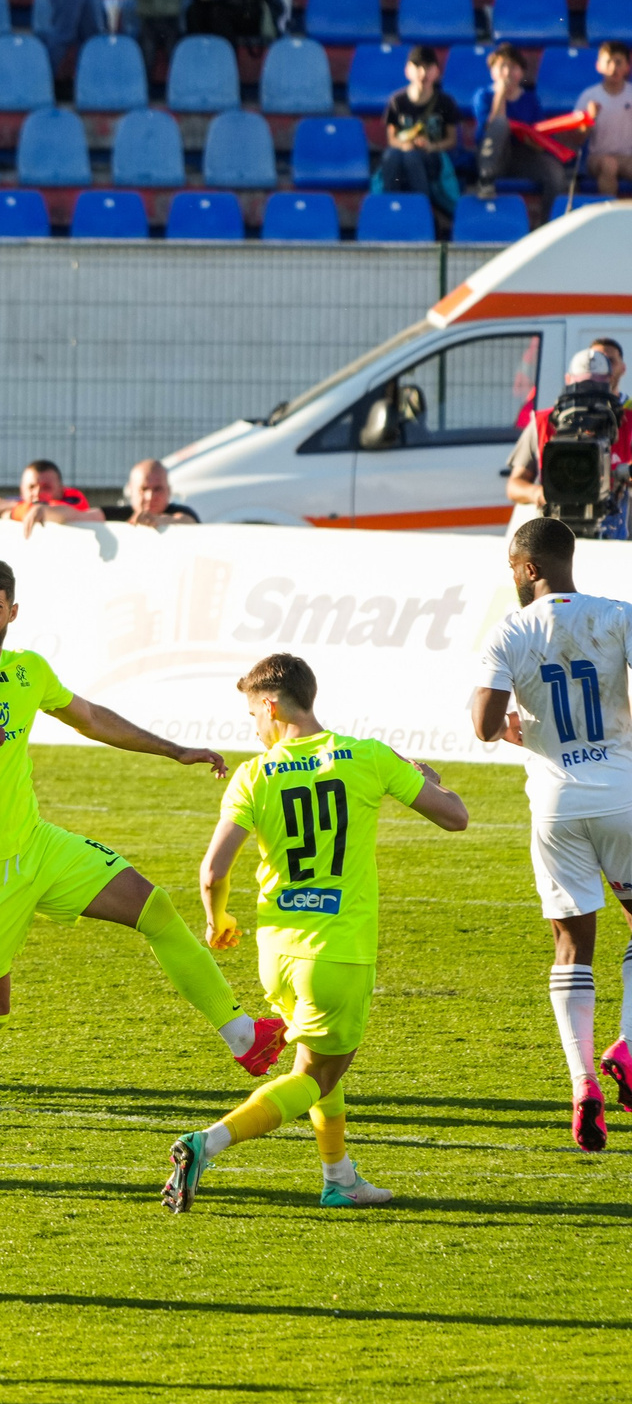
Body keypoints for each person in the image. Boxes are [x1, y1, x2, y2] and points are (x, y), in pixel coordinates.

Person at [0, 557, 287, 1128]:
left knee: (155, 907)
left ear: (13, 611)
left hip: (38, 846)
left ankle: (244, 1037)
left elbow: (90, 718)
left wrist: (173, 750)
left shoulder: (28, 669)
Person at [166, 654, 468, 1208]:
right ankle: (207, 1142)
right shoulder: (367, 756)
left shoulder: (253, 775)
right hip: (336, 952)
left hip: (276, 952)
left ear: (272, 705)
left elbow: (212, 873)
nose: (253, 727)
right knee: (318, 1074)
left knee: (319, 1062)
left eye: (251, 714)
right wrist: (426, 778)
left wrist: (219, 920)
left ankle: (339, 1178)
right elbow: (455, 816)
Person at [471, 518, 632, 1151]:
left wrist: (513, 730)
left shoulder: (510, 630)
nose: (512, 578)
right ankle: (627, 1048)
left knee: (572, 943)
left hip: (555, 802)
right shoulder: (618, 614)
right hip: (622, 793)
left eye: (514, 568)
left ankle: (582, 1081)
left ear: (530, 567)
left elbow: (484, 722)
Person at [504, 345, 632, 516]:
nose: (588, 392)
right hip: (556, 525)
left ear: (610, 382)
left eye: (595, 385)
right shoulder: (542, 423)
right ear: (568, 380)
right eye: (582, 384)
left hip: (616, 528)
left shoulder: (627, 423)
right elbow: (515, 485)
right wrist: (540, 494)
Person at [475, 42, 573, 209]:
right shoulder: (483, 96)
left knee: (555, 174)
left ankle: (547, 224)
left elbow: (541, 133)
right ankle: (486, 180)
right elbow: (490, 128)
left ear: (521, 72)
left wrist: (534, 141)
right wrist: (501, 94)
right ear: (492, 71)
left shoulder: (530, 99)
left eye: (513, 67)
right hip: (493, 157)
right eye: (502, 67)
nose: (507, 73)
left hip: (523, 155)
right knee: (501, 124)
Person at [371, 44, 460, 223]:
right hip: (402, 155)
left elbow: (451, 140)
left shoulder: (445, 102)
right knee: (391, 156)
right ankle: (391, 212)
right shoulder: (397, 101)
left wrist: (431, 146)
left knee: (412, 158)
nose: (423, 72)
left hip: (433, 157)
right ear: (407, 71)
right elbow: (392, 138)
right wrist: (404, 145)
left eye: (428, 67)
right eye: (417, 67)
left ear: (436, 71)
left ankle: (422, 216)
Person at [0, 457, 101, 528]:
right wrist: (12, 507)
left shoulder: (74, 500)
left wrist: (12, 513)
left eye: (46, 487)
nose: (37, 492)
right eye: (31, 487)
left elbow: (64, 514)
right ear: (22, 488)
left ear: (61, 488)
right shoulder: (17, 501)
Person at [578, 39, 632, 199]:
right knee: (609, 165)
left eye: (618, 62)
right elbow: (579, 138)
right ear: (598, 66)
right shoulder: (589, 96)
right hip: (598, 158)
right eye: (608, 62)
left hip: (628, 157)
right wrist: (590, 118)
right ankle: (610, 215)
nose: (613, 67)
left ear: (627, 67)